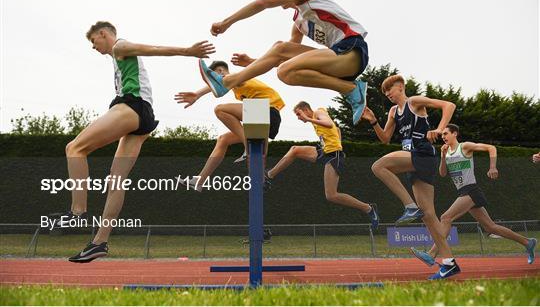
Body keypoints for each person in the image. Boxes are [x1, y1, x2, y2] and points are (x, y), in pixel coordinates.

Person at [59, 21, 215, 263]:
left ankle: (77, 212)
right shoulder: (118, 57)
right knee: (116, 180)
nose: (93, 47)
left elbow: (153, 48)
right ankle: (99, 242)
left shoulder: (120, 46)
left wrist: (188, 51)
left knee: (75, 148)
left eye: (93, 41)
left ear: (103, 33)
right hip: (143, 117)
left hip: (132, 106)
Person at [197, 0, 369, 125]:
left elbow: (263, 3)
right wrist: (253, 62)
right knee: (285, 71)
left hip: (353, 49)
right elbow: (286, 59)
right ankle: (351, 89)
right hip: (338, 60)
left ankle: (227, 82)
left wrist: (226, 22)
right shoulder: (299, 23)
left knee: (281, 49)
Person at [361, 74, 459, 280]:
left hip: (422, 154)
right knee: (428, 215)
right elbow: (385, 139)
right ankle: (449, 263)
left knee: (378, 166)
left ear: (401, 87)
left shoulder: (414, 102)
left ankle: (409, 205)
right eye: (385, 92)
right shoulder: (393, 112)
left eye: (390, 89)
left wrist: (440, 129)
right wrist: (373, 122)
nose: (387, 93)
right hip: (413, 160)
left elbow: (449, 105)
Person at [410, 124, 537, 265]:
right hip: (463, 191)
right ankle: (528, 242)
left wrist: (493, 167)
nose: (443, 137)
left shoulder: (465, 147)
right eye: (442, 135)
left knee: (446, 217)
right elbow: (443, 173)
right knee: (490, 227)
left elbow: (491, 148)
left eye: (446, 134)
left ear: (455, 134)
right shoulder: (447, 152)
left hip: (471, 190)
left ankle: (431, 254)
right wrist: (443, 156)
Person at [264, 101, 379, 229]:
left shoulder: (319, 112)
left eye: (299, 114)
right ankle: (269, 175)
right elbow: (337, 129)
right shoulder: (314, 120)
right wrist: (337, 142)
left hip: (333, 154)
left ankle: (368, 208)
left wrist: (309, 119)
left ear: (306, 109)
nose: (299, 117)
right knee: (295, 149)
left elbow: (329, 124)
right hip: (325, 151)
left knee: (331, 195)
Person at [175, 59, 284, 190]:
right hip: (260, 115)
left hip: (266, 110)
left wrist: (198, 94)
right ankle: (200, 181)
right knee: (224, 140)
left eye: (215, 78)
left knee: (220, 109)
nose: (215, 83)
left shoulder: (239, 78)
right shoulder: (237, 85)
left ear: (220, 72)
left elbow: (224, 79)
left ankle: (247, 145)